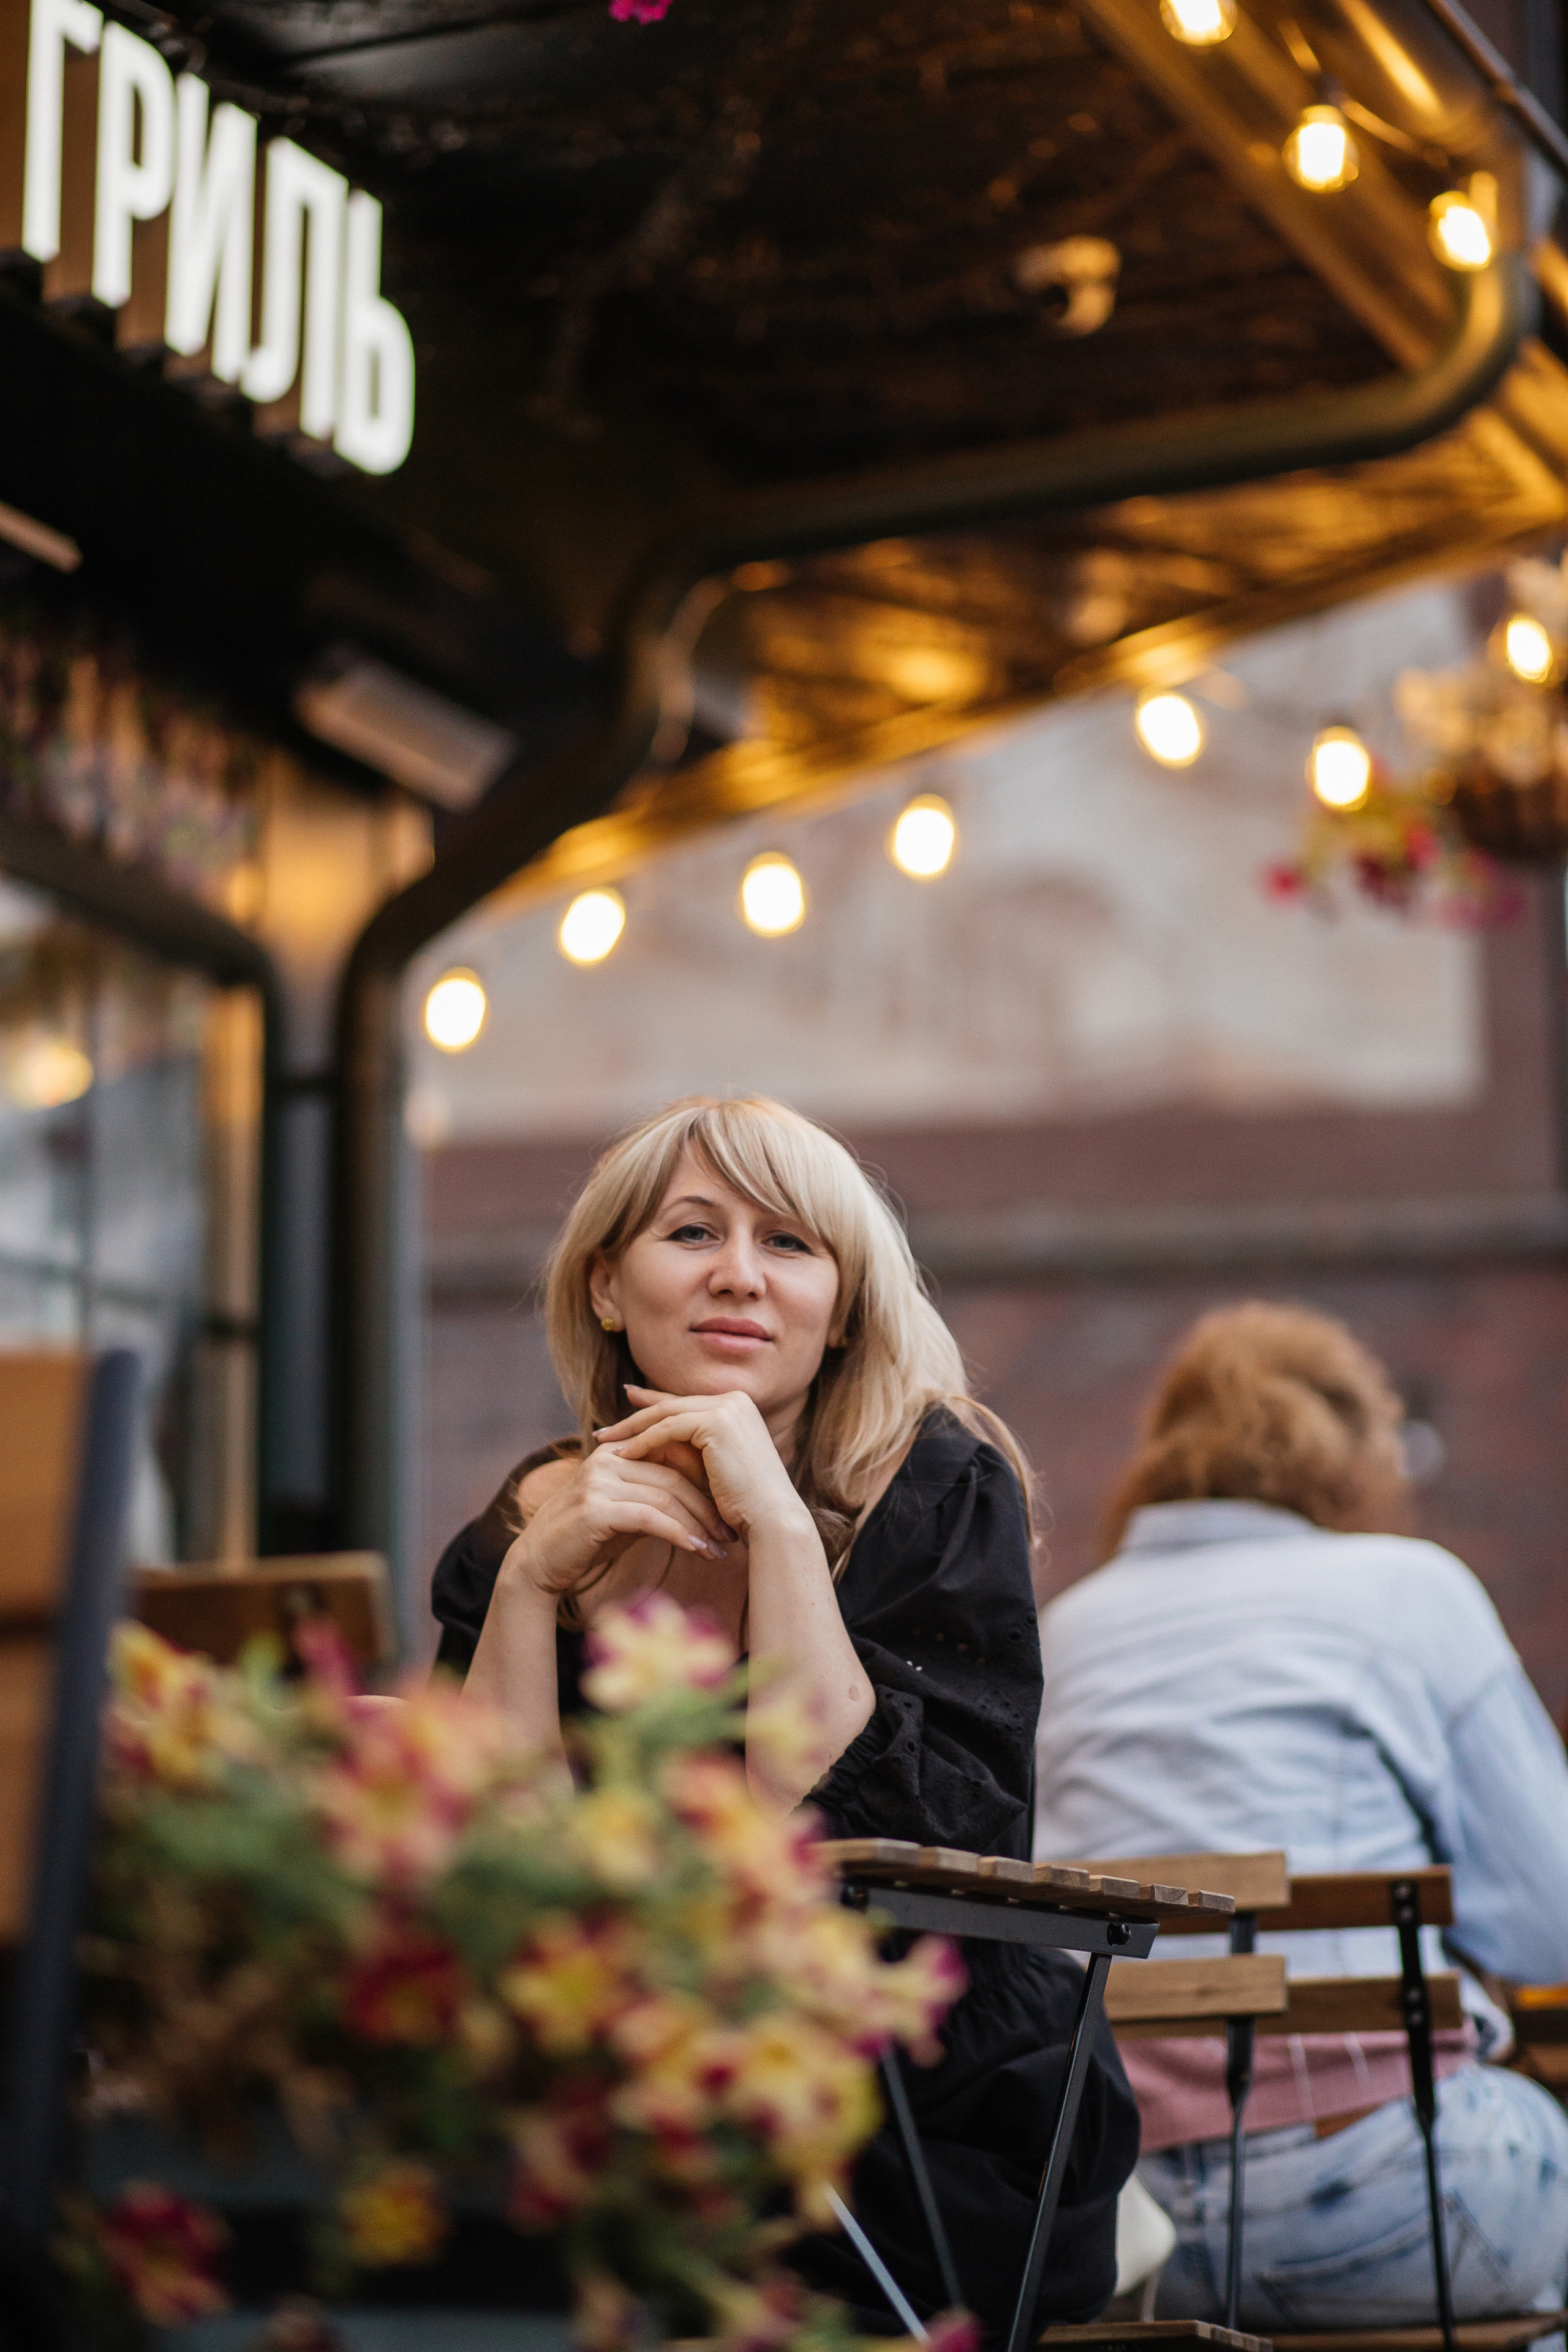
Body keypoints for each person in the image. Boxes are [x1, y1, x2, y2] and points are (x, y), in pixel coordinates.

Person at [431, 1093, 1138, 2339]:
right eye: (692, 1234)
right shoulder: (538, 1512)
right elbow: (475, 1840)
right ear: (607, 1286)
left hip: (907, 2114)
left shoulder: (930, 1483)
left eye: (790, 1245)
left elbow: (872, 1844)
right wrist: (537, 1580)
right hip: (611, 2085)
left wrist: (770, 1520)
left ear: (843, 1303)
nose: (739, 1278)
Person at [1033, 1300, 1568, 2333]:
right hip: (1388, 2191)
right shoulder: (1411, 1589)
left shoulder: (1071, 1626)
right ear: (1357, 1456)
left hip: (1121, 2227)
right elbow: (1551, 1924)